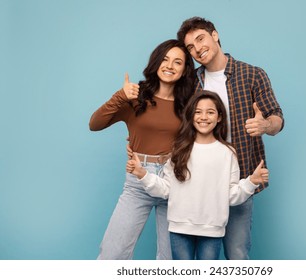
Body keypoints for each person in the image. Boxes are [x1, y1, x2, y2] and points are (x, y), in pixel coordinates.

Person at [177, 17, 284, 260]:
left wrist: (265, 124)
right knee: (197, 259)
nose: (197, 49)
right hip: (199, 184)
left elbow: (277, 119)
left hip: (240, 179)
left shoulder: (252, 74)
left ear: (215, 35)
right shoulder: (191, 82)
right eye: (190, 47)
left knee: (236, 254)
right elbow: (179, 126)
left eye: (200, 39)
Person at [126, 90, 269, 260]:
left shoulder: (227, 153)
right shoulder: (179, 150)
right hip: (179, 229)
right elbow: (166, 189)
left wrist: (251, 181)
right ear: (191, 116)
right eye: (198, 112)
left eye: (210, 112)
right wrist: (142, 173)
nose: (204, 117)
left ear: (219, 117)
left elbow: (230, 196)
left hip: (212, 230)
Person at [89, 39, 195, 260]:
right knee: (112, 253)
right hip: (138, 180)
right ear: (156, 62)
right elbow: (95, 124)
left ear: (185, 70)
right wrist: (120, 95)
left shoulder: (189, 103)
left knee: (171, 260)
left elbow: (200, 139)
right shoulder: (135, 96)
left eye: (178, 62)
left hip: (175, 181)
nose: (170, 66)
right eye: (165, 59)